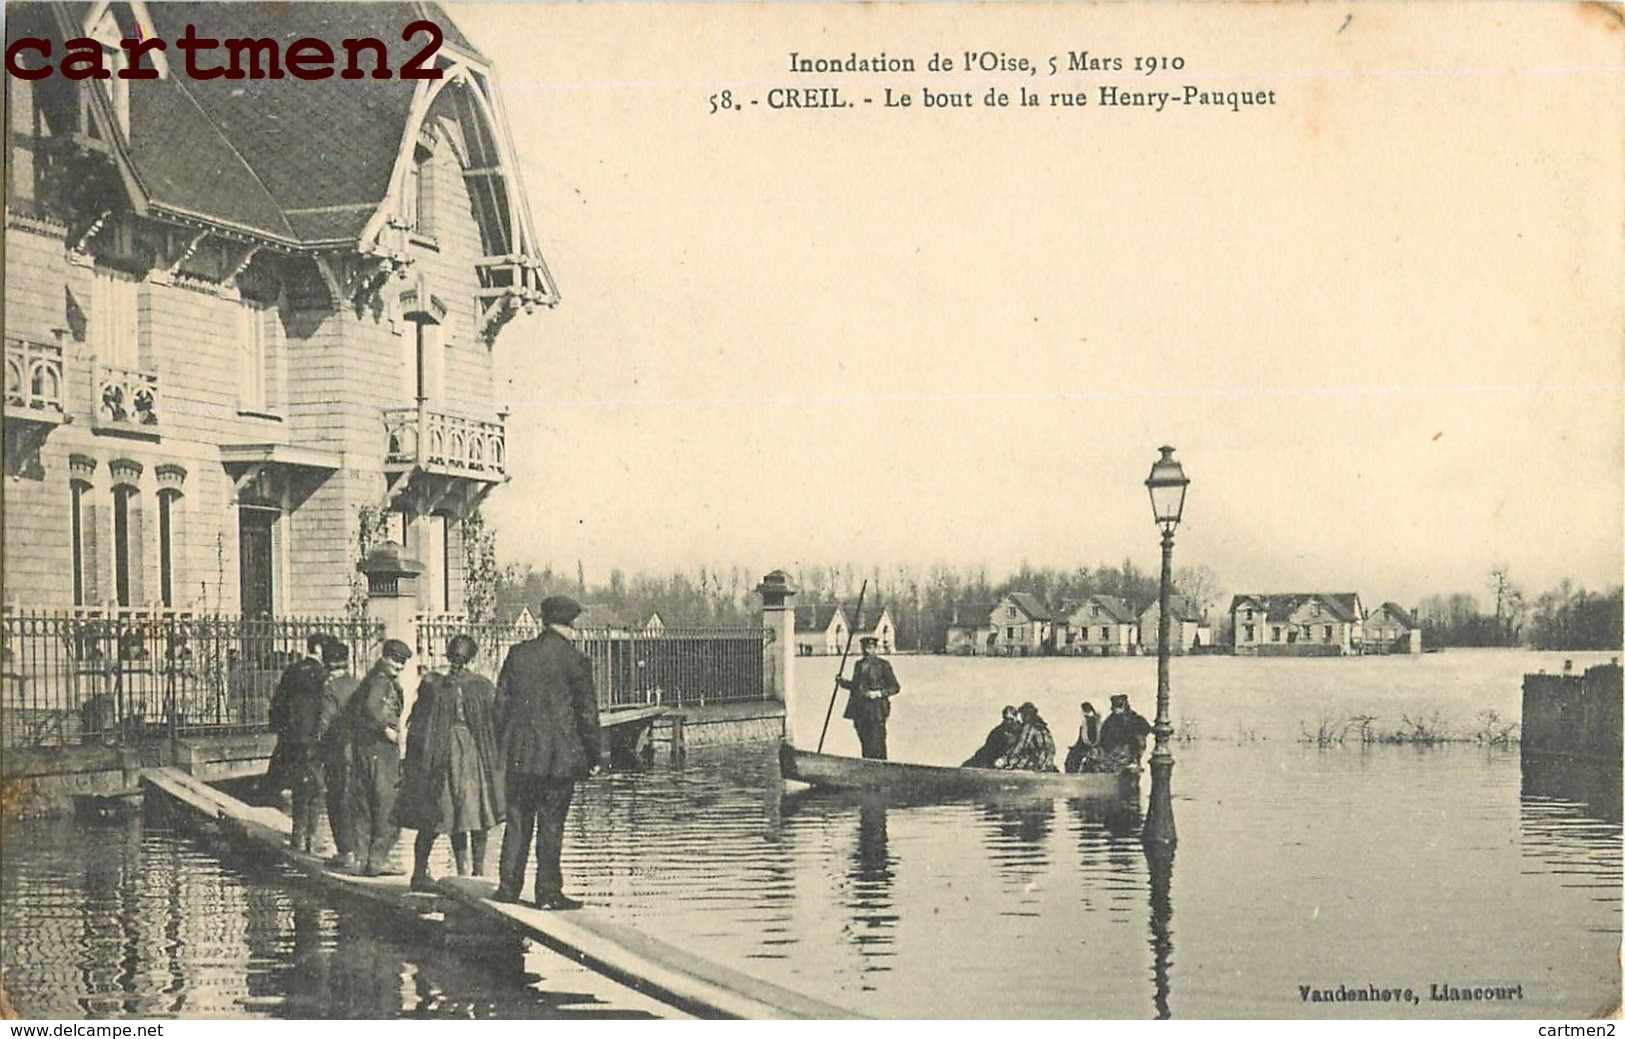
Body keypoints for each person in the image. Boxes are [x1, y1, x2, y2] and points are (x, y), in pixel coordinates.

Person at [494, 596, 603, 909]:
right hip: (559, 759)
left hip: (520, 755)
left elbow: (500, 706)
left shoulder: (517, 654)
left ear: (543, 620)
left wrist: (508, 743)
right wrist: (594, 756)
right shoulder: (575, 660)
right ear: (571, 624)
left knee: (517, 822)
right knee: (552, 824)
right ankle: (547, 893)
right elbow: (587, 714)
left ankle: (507, 889)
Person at [396, 634, 505, 893]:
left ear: (448, 655)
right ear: (472, 657)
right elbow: (497, 724)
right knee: (478, 813)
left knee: (437, 815)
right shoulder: (482, 686)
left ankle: (422, 872)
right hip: (472, 755)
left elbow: (417, 724)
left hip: (438, 755)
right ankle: (475, 874)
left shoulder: (433, 685)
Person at [346, 638, 412, 876]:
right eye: (395, 660)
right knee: (387, 805)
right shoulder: (381, 682)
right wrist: (387, 729)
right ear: (385, 657)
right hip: (381, 752)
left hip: (364, 749)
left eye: (402, 662)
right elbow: (372, 709)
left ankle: (362, 859)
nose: (399, 666)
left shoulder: (371, 679)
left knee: (364, 804)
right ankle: (377, 860)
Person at [264, 634, 330, 843]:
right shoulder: (323, 674)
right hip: (315, 739)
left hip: (291, 738)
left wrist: (281, 732)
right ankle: (311, 835)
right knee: (316, 786)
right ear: (319, 649)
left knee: (298, 784)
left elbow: (279, 703)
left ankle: (298, 833)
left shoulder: (292, 670)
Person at [317, 639, 362, 870]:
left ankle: (346, 852)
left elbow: (325, 723)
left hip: (338, 753)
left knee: (337, 800)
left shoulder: (330, 688)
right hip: (360, 753)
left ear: (326, 663)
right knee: (357, 802)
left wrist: (317, 750)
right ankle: (360, 850)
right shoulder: (358, 684)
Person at [837, 635, 901, 759]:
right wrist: (842, 682)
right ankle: (867, 766)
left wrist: (878, 693)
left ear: (875, 648)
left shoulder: (883, 665)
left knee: (877, 742)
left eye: (870, 647)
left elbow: (895, 687)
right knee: (865, 743)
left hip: (877, 711)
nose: (866, 651)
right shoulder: (859, 665)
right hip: (860, 711)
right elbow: (856, 686)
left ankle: (881, 768)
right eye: (864, 648)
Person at [1091, 693, 1152, 773]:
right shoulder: (1110, 720)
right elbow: (1104, 736)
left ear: (1124, 706)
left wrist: (1132, 736)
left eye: (1118, 706)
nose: (1116, 710)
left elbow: (1145, 729)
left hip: (1128, 752)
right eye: (1115, 707)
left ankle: (1134, 762)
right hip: (1111, 752)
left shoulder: (1134, 718)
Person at [997, 701, 1059, 772]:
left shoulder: (1029, 727)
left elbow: (1021, 746)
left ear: (1026, 714)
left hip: (1037, 765)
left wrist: (1006, 759)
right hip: (1048, 764)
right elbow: (1052, 749)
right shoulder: (1044, 728)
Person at [1063, 701, 1102, 774]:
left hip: (1090, 749)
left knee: (1072, 761)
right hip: (1085, 748)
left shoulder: (1091, 722)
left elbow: (1090, 740)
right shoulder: (1089, 722)